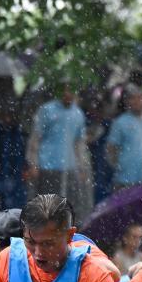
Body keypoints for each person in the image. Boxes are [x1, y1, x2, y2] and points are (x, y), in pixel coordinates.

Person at [25, 84, 90, 222]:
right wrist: (33, 164)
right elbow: (35, 139)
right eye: (65, 90)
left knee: (68, 205)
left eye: (71, 90)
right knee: (48, 206)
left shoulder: (78, 113)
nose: (68, 94)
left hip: (70, 167)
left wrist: (82, 167)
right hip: (48, 166)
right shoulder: (47, 110)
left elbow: (79, 144)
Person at [106, 85, 142, 189]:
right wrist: (119, 166)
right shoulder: (120, 122)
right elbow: (111, 148)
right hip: (125, 178)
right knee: (124, 204)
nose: (137, 101)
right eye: (133, 98)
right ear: (127, 102)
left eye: (140, 98)